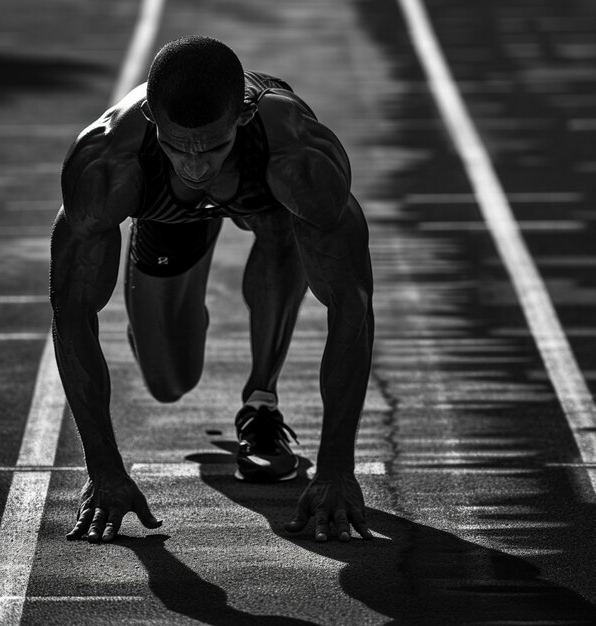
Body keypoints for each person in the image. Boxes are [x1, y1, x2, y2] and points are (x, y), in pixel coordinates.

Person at [50, 36, 374, 544]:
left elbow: (351, 307)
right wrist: (103, 468)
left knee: (286, 225)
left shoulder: (298, 156)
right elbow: (71, 312)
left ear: (242, 119)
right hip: (161, 206)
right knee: (169, 381)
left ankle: (261, 402)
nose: (197, 167)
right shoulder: (108, 163)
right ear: (153, 123)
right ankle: (174, 280)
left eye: (214, 148)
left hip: (265, 197)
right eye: (178, 148)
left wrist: (337, 467)